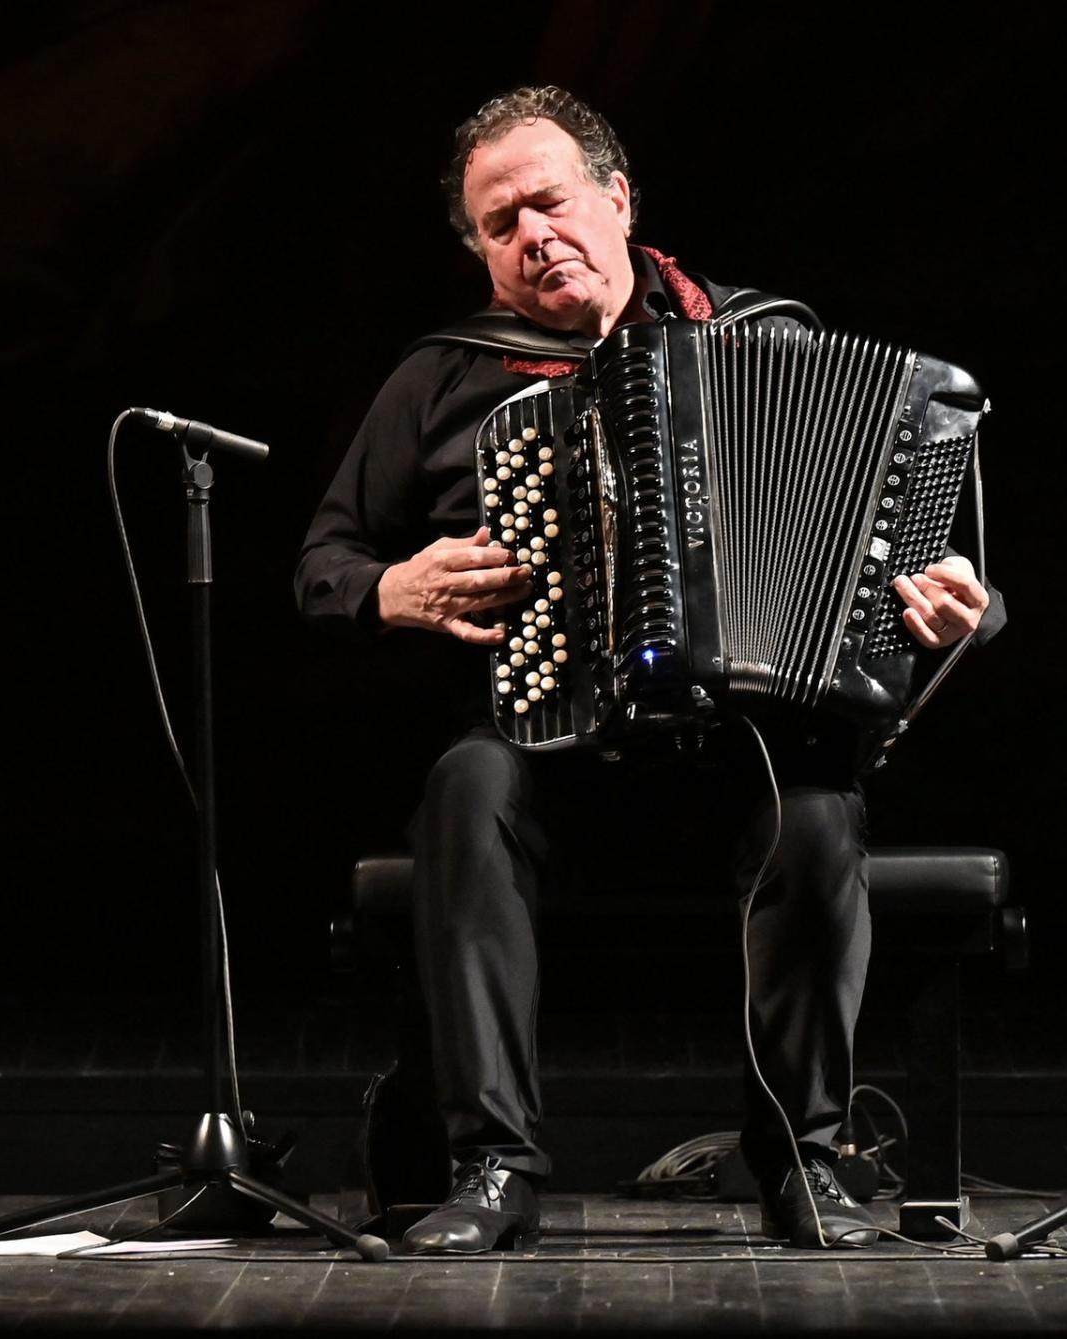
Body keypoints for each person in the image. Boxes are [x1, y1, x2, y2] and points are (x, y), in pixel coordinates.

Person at [295, 86, 1001, 1254]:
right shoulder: (443, 378)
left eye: (550, 203)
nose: (532, 236)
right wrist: (388, 588)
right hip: (543, 751)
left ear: (617, 201)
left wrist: (957, 605)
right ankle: (493, 1169)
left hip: (741, 752)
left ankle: (803, 1165)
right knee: (465, 789)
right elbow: (324, 562)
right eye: (499, 223)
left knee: (821, 815)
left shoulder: (768, 340)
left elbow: (929, 569)